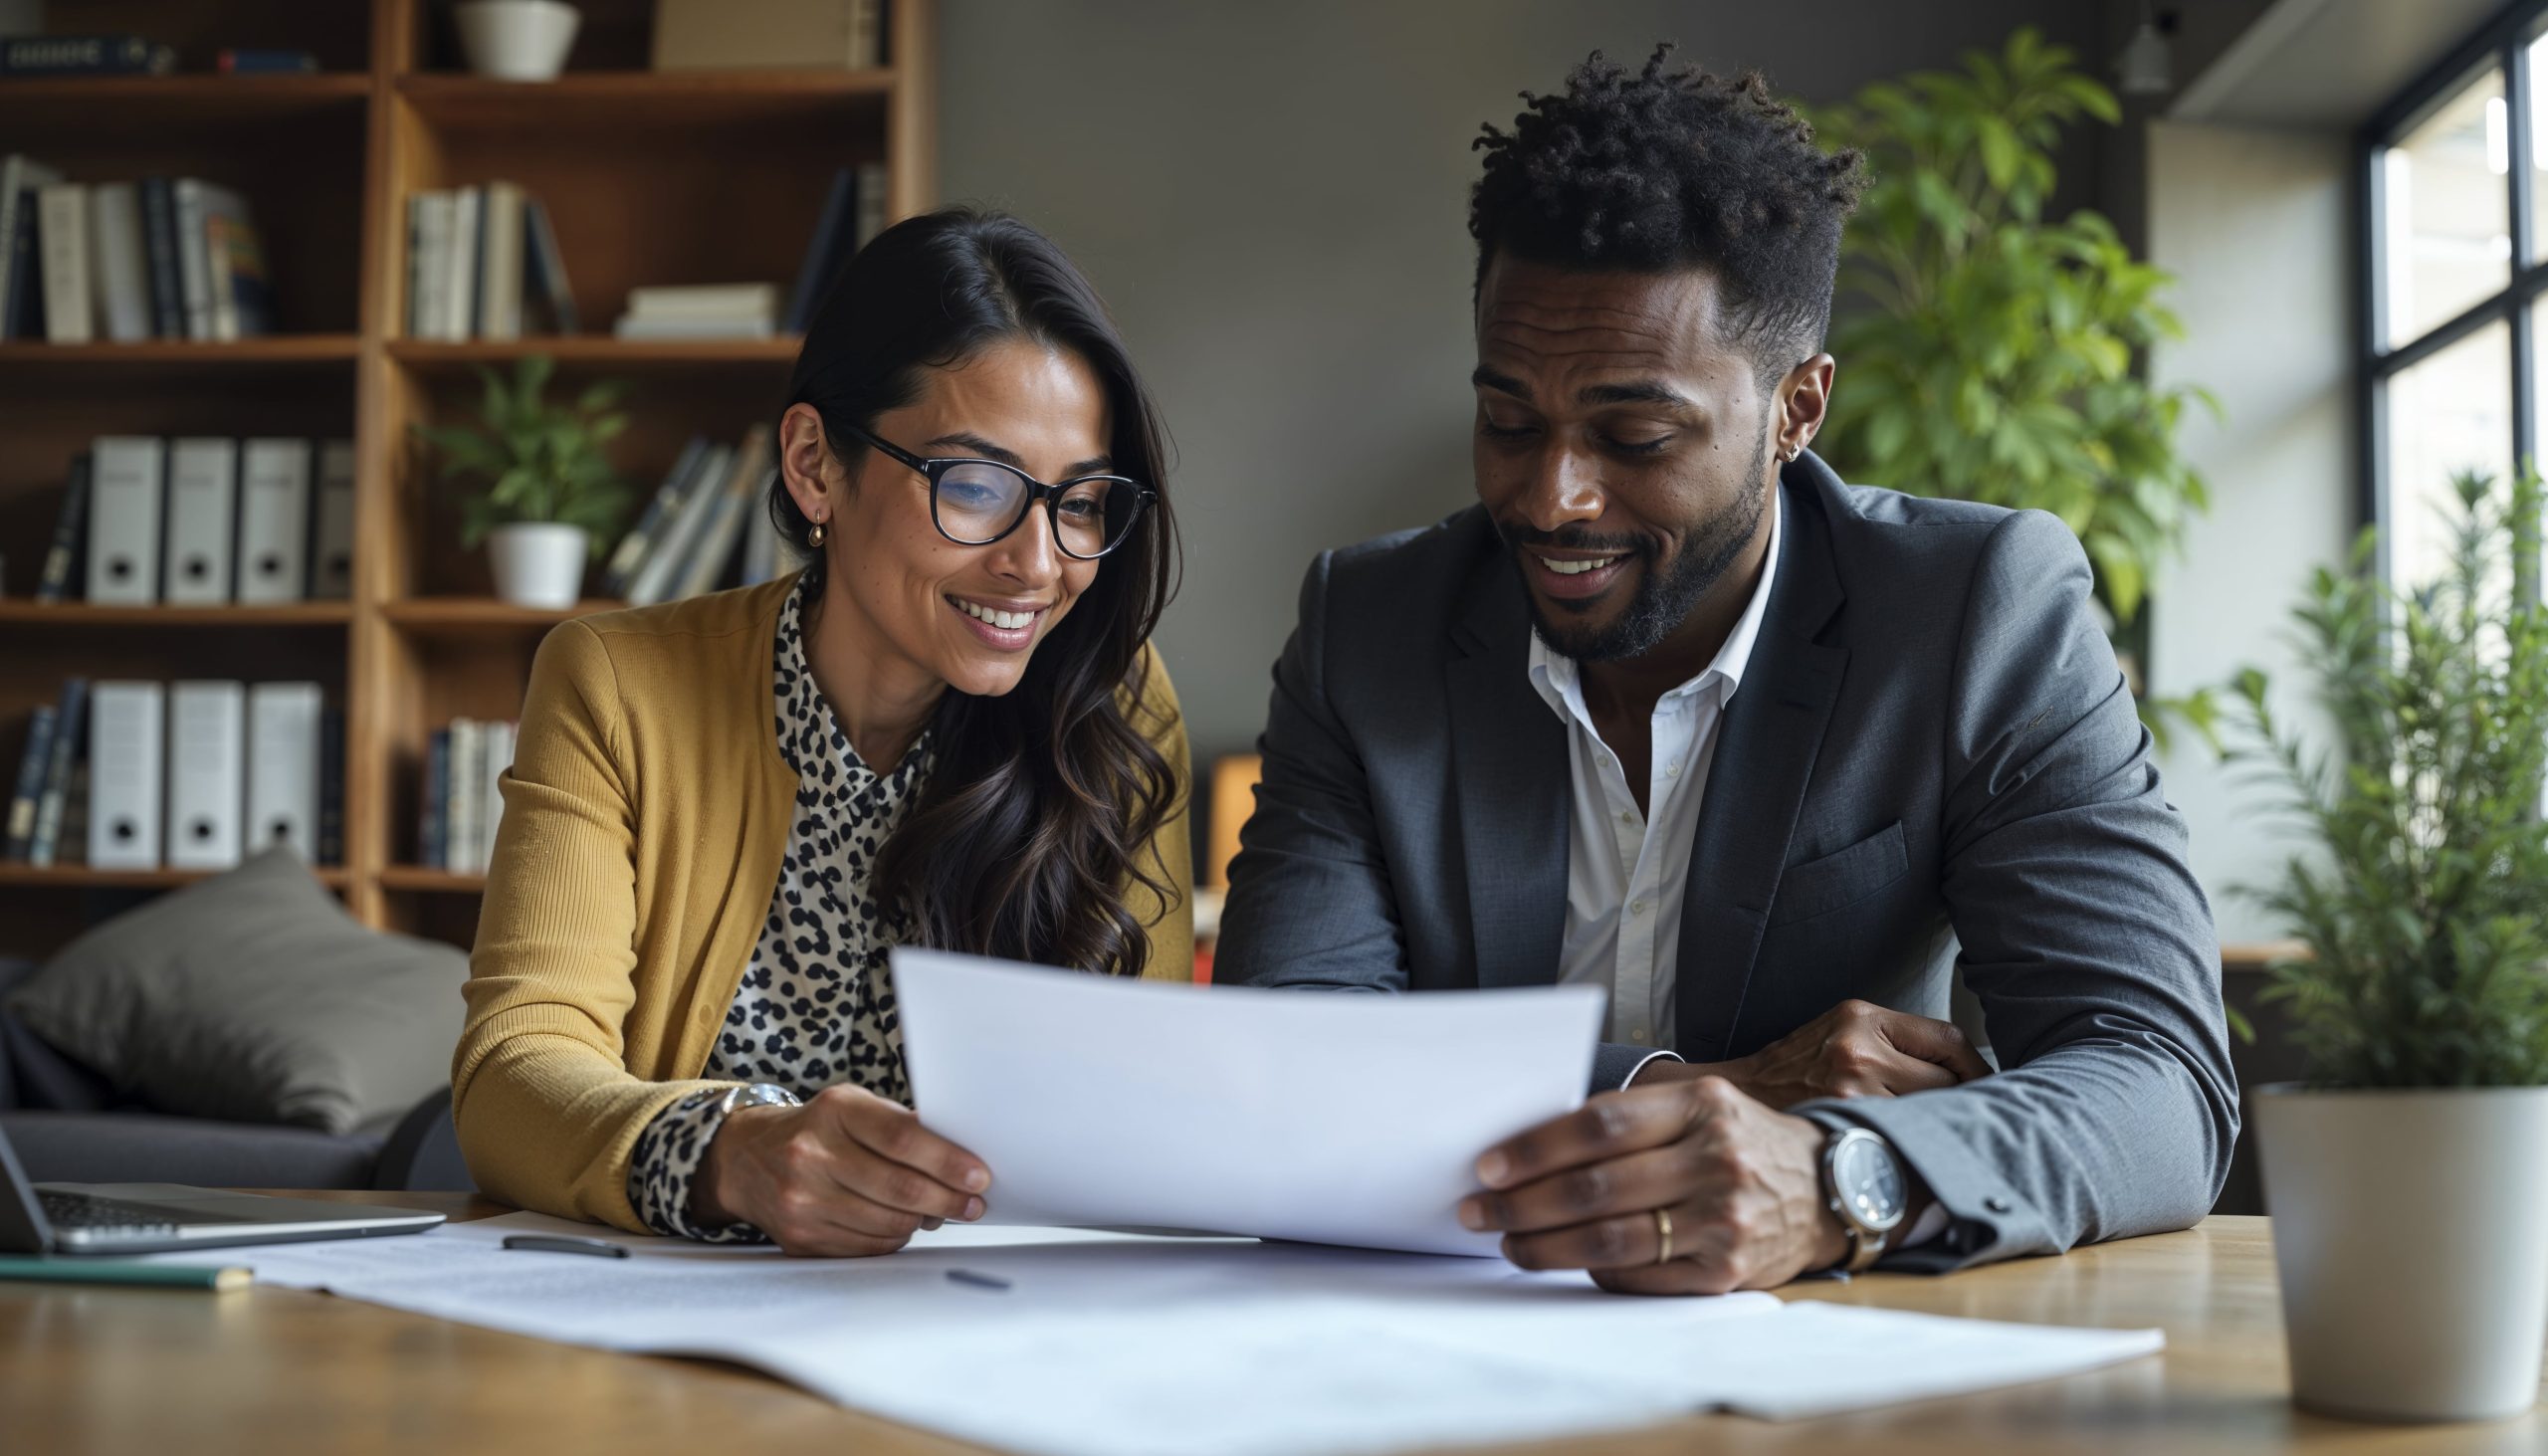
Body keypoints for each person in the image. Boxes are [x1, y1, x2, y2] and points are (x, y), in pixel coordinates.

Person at [1216, 47, 2236, 1294]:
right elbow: (1288, 1061)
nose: (1552, 497)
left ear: (1797, 408)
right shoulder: (1368, 625)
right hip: (1429, 1327)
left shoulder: (1975, 611)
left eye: (1634, 436)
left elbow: (2156, 1079)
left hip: (1823, 1354)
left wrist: (1830, 1178)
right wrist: (1698, 1093)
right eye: (1509, 421)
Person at [453, 209, 1191, 1254]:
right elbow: (516, 1069)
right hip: (669, 1326)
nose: (1038, 562)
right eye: (976, 486)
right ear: (813, 465)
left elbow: (1149, 1098)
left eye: (1078, 501)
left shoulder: (1109, 704)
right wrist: (733, 1152)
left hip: (986, 1334)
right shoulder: (617, 684)